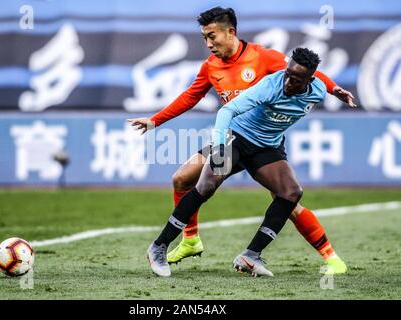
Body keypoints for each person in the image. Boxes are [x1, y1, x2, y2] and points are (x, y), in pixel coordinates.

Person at [130, 7, 354, 275]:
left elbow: (309, 72)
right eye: (204, 38)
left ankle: (318, 256)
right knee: (188, 179)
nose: (208, 44)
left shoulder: (265, 57)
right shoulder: (212, 67)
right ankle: (179, 242)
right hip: (232, 136)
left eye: (212, 36)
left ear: (230, 32)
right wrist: (157, 120)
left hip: (266, 144)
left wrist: (334, 88)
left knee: (290, 197)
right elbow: (192, 97)